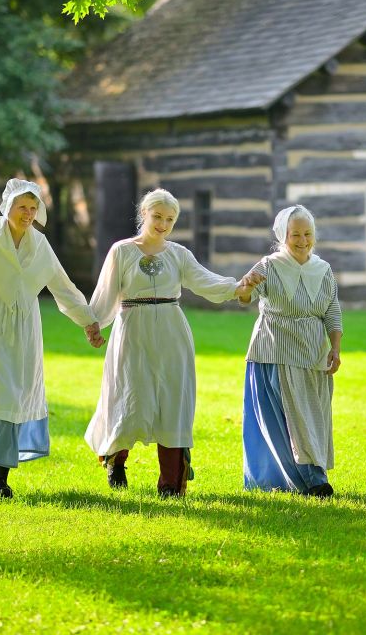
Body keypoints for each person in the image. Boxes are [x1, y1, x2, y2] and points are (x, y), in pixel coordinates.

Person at [0, 178, 104, 499]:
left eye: (32, 208)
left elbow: (63, 288)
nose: (27, 213)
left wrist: (88, 321)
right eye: (21, 207)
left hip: (25, 329)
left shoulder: (40, 245)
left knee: (14, 398)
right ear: (7, 207)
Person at [85, 188, 248, 497]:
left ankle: (171, 483)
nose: (162, 224)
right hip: (133, 329)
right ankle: (116, 462)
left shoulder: (178, 254)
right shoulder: (122, 251)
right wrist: (93, 324)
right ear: (144, 214)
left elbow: (205, 281)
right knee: (130, 398)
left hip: (172, 331)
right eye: (157, 216)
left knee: (173, 403)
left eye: (169, 219)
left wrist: (236, 287)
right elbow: (105, 293)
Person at [236, 205, 342, 497]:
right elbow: (245, 296)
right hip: (274, 350)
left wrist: (335, 347)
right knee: (289, 416)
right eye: (295, 234)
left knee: (312, 415)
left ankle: (312, 473)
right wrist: (246, 286)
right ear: (283, 235)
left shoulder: (323, 269)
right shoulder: (269, 265)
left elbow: (332, 309)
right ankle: (312, 479)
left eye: (307, 234)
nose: (302, 240)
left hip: (312, 351)